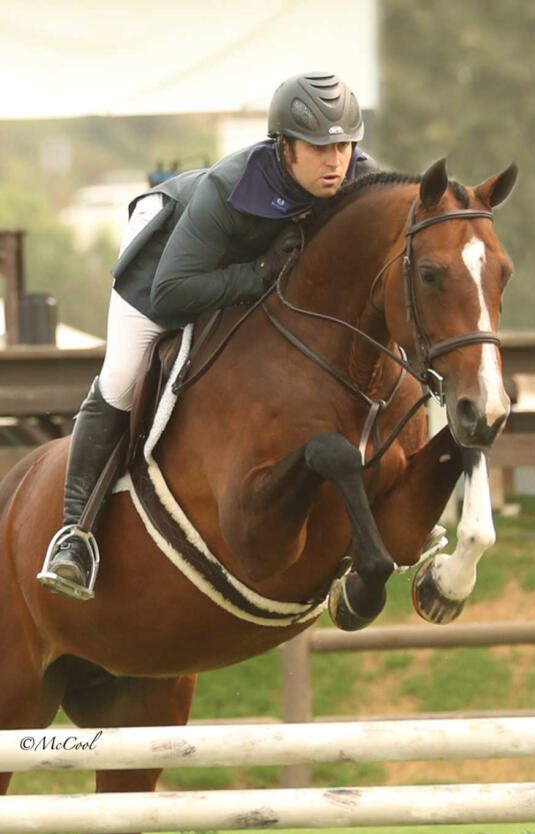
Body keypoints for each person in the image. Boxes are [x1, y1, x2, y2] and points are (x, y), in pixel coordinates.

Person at [38, 72, 378, 600]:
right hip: (164, 264)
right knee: (124, 378)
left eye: (345, 144)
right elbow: (174, 292)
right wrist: (260, 274)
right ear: (285, 147)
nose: (337, 161)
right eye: (319, 148)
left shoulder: (358, 178)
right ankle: (74, 535)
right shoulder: (229, 187)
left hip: (235, 276)